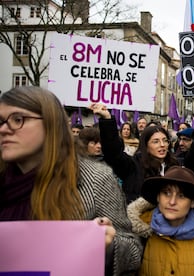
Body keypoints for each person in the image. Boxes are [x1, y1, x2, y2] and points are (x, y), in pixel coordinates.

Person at [0, 86, 142, 275]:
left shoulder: (96, 178)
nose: (3, 129)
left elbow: (133, 251)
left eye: (18, 119)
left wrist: (108, 246)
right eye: (1, 121)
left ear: (51, 124)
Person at [127, 166, 194, 276]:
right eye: (166, 193)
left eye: (181, 196)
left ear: (192, 202)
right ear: (158, 197)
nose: (172, 201)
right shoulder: (140, 231)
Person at [90, 103, 179, 203]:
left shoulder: (175, 166)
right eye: (156, 141)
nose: (162, 145)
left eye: (165, 140)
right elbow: (113, 153)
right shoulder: (133, 166)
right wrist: (107, 119)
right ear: (146, 145)